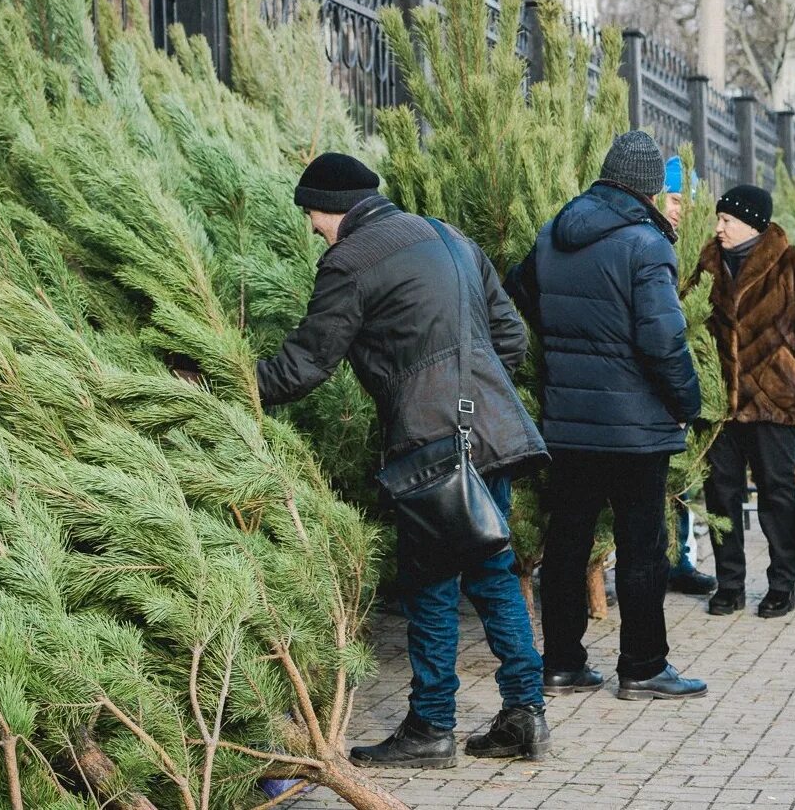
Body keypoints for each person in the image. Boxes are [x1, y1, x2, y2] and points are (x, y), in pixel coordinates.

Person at [256, 152, 551, 768]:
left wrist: (225, 380)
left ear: (330, 209)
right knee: (494, 571)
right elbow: (512, 342)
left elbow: (303, 366)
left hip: (431, 444)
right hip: (491, 431)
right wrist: (469, 394)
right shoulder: (449, 235)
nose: (312, 228)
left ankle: (430, 728)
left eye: (311, 214)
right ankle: (525, 715)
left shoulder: (351, 260)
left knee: (432, 583)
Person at [506, 131, 708, 701]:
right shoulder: (646, 244)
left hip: (569, 422)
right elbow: (663, 341)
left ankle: (563, 662)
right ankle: (643, 666)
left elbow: (518, 291)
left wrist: (568, 350)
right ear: (648, 189)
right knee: (642, 547)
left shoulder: (554, 233)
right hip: (635, 428)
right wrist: (687, 404)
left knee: (568, 541)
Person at [685, 184, 795, 619]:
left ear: (752, 223)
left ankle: (782, 584)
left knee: (777, 494)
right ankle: (730, 584)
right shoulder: (707, 263)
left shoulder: (794, 264)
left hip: (774, 399)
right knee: (721, 495)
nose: (718, 227)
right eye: (718, 219)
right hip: (719, 404)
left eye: (727, 220)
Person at [660, 155, 718, 596]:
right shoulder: (648, 242)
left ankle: (679, 559)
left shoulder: (699, 250)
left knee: (684, 479)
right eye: (675, 198)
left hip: (693, 377)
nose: (680, 209)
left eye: (687, 202)